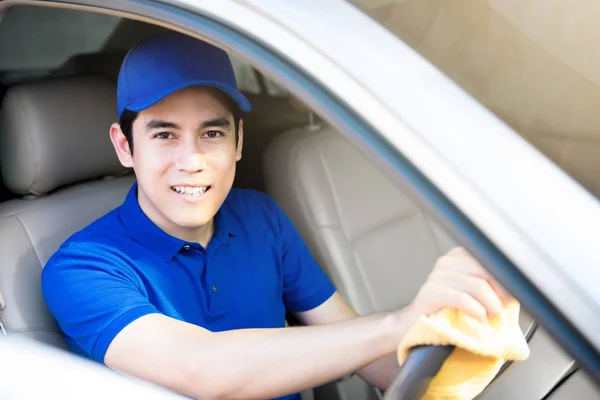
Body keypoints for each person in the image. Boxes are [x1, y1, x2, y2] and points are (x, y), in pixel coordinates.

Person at [42, 31, 512, 400]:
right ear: (125, 146)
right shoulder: (84, 266)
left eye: (212, 134)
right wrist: (401, 321)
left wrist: (466, 317)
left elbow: (373, 360)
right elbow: (203, 370)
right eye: (164, 135)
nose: (192, 161)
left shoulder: (260, 218)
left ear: (239, 142)